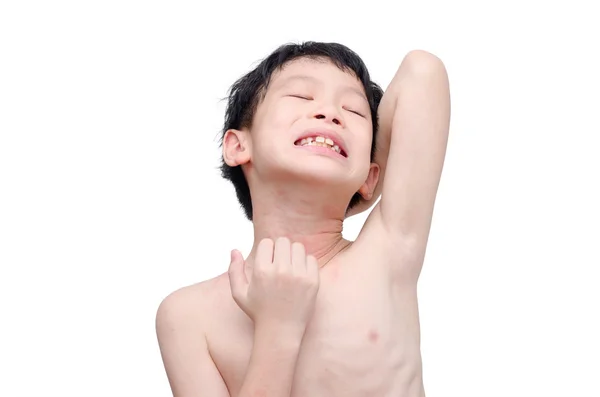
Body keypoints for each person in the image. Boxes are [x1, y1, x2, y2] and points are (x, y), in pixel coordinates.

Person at [155, 41, 451, 397]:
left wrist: (351, 197)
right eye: (300, 97)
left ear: (373, 177)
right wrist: (278, 328)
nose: (330, 113)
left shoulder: (388, 253)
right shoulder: (188, 316)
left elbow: (423, 71)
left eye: (354, 112)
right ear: (237, 145)